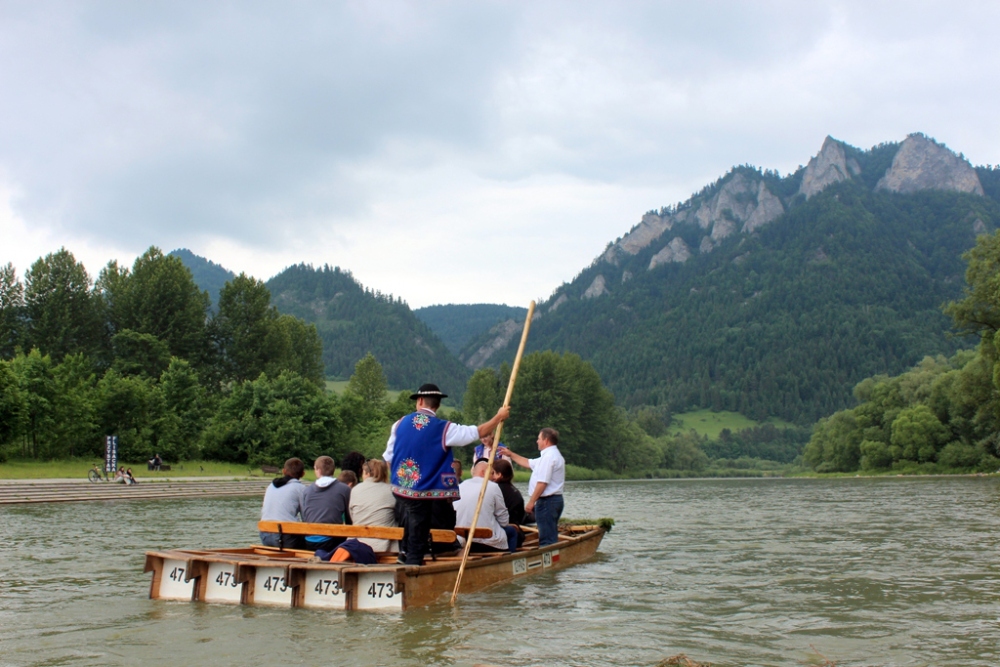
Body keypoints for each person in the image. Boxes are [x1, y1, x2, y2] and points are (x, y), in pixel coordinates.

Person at [383, 383, 510, 565]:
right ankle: (412, 564)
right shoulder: (444, 428)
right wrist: (499, 416)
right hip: (425, 489)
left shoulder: (399, 424)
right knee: (419, 525)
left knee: (409, 518)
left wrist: (400, 480)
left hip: (401, 486)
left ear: (419, 401)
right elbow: (478, 432)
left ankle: (404, 554)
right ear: (438, 404)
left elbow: (388, 457)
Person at [316, 458, 398, 564]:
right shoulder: (392, 491)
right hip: (385, 547)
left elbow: (352, 516)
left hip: (357, 545)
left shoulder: (355, 490)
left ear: (367, 473)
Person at [497, 427, 565, 547]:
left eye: (539, 438)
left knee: (546, 538)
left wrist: (531, 502)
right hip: (552, 501)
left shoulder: (549, 457)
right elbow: (528, 463)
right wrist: (510, 454)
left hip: (547, 502)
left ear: (546, 440)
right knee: (549, 533)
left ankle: (549, 559)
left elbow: (542, 483)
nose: (537, 441)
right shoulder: (549, 455)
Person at [454, 459, 515, 553]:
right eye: (491, 473)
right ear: (483, 472)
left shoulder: (460, 486)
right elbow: (504, 521)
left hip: (463, 538)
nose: (493, 477)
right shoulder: (493, 487)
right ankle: (510, 560)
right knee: (512, 532)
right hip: (486, 541)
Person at [300, 456, 352, 552]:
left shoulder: (307, 491)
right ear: (333, 470)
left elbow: (305, 517)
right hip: (332, 541)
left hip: (309, 540)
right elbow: (349, 519)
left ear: (318, 470)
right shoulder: (344, 489)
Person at [259, 458, 306, 548]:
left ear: (283, 471)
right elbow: (305, 516)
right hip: (284, 537)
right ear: (303, 474)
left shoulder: (271, 486)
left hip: (265, 534)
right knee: (309, 543)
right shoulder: (300, 488)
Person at [491, 458, 527, 548]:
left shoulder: (494, 489)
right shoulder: (515, 491)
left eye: (493, 473)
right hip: (516, 530)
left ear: (499, 475)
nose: (490, 476)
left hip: (504, 531)